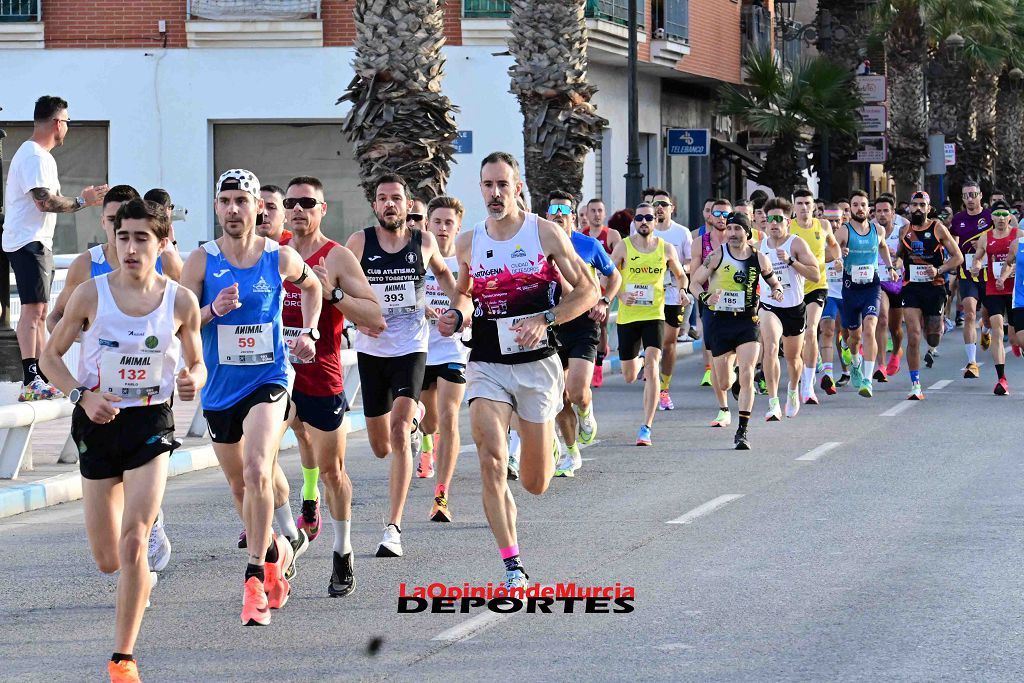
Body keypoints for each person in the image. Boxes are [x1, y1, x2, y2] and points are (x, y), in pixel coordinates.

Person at [40, 198, 205, 683]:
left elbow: (196, 362)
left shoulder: (180, 301)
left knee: (135, 541)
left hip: (151, 421)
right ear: (113, 239)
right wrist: (82, 396)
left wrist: (193, 378)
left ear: (161, 242)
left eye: (141, 238)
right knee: (109, 559)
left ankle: (123, 658)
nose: (130, 247)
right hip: (98, 422)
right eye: (122, 236)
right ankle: (140, 580)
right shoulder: (91, 295)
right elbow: (50, 358)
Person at [438, 151, 597, 589]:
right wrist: (456, 314)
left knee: (536, 483)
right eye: (487, 185)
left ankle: (550, 444)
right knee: (490, 459)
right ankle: (513, 565)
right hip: (487, 361)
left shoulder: (543, 234)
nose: (494, 193)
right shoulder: (468, 242)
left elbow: (588, 289)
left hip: (537, 366)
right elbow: (465, 294)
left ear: (518, 187)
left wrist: (546, 318)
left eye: (502, 185)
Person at [181, 169, 322, 625]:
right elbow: (179, 323)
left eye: (242, 201)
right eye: (226, 201)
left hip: (270, 377)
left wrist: (312, 333)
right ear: (216, 207)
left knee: (259, 467)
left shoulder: (276, 256)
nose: (234, 209)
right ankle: (279, 547)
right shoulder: (200, 262)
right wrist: (211, 310)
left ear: (258, 208)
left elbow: (314, 285)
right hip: (221, 387)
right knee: (241, 485)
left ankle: (255, 576)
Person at [280, 176, 383, 596]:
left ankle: (342, 550)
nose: (298, 209)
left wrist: (332, 291)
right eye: (292, 202)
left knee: (332, 471)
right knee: (258, 464)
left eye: (308, 202)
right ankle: (290, 534)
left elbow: (374, 317)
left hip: (321, 376)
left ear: (323, 209)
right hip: (274, 377)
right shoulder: (276, 253)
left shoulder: (337, 256)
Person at [346, 173, 458, 558]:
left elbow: (446, 275)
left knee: (398, 430)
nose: (390, 204)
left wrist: (459, 307)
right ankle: (414, 414)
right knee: (380, 446)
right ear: (374, 205)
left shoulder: (423, 242)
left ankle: (392, 527)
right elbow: (337, 291)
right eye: (382, 198)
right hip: (372, 349)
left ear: (408, 204)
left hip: (411, 347)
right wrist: (354, 318)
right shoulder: (359, 242)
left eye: (396, 198)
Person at [3, 95, 108, 401]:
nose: (67, 128)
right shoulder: (35, 156)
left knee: (40, 310)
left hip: (35, 241)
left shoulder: (39, 156)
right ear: (57, 122)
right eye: (67, 122)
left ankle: (38, 375)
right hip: (27, 241)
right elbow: (44, 201)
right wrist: (83, 201)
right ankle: (31, 377)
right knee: (33, 311)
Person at [689, 212, 785, 450]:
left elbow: (774, 282)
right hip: (719, 321)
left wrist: (778, 290)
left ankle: (742, 431)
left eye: (737, 229)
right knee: (723, 382)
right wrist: (705, 297)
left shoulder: (760, 259)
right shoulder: (717, 255)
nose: (732, 233)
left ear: (747, 232)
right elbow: (694, 282)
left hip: (747, 321)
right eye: (729, 228)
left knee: (748, 372)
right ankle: (730, 383)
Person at [546, 191, 620, 472]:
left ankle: (586, 413)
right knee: (558, 396)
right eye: (552, 212)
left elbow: (614, 276)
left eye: (563, 212)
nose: (558, 216)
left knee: (577, 392)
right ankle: (570, 451)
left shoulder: (587, 245)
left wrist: (604, 300)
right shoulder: (539, 245)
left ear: (573, 218)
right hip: (552, 325)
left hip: (583, 325)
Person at [48, 185, 183, 332]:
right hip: (102, 355)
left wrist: (164, 338)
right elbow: (56, 317)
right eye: (112, 219)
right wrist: (89, 338)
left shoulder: (165, 259)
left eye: (123, 218)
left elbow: (191, 313)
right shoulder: (85, 264)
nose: (117, 226)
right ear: (103, 222)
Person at [417, 195, 470, 521]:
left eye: (449, 222)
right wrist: (420, 307)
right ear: (427, 224)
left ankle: (441, 495)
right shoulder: (416, 261)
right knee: (429, 421)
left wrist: (460, 315)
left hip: (453, 349)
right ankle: (426, 443)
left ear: (457, 226)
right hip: (420, 349)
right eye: (437, 221)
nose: (442, 228)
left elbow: (471, 302)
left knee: (449, 418)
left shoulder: (464, 263)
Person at [756, 197, 820, 420]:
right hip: (769, 306)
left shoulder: (796, 244)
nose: (773, 224)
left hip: (793, 306)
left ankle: (793, 389)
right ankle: (773, 402)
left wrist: (792, 261)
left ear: (788, 222)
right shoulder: (759, 247)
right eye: (769, 219)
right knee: (771, 347)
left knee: (793, 359)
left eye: (778, 219)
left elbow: (815, 274)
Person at [898, 191, 963, 400]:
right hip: (911, 287)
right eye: (914, 204)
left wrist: (939, 270)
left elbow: (958, 257)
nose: (917, 208)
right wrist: (895, 264)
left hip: (934, 286)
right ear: (909, 207)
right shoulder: (904, 230)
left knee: (932, 337)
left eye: (921, 205)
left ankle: (939, 321)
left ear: (928, 208)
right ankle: (915, 384)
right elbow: (901, 256)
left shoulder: (938, 228)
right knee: (914, 335)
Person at [834, 190, 898, 398]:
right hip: (851, 288)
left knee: (870, 327)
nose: (859, 208)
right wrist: (838, 256)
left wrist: (889, 268)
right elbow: (830, 252)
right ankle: (854, 362)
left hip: (872, 286)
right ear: (850, 209)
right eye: (855, 205)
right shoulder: (844, 231)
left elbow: (882, 247)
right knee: (854, 336)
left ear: (868, 208)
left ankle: (867, 380)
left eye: (863, 204)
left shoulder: (877, 229)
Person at [789, 188, 841, 405]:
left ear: (814, 207)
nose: (803, 208)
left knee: (812, 330)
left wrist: (835, 259)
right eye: (799, 203)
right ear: (793, 207)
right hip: (793, 287)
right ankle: (802, 373)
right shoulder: (787, 227)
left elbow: (834, 246)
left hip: (817, 285)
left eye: (807, 204)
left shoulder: (824, 226)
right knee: (796, 337)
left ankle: (808, 385)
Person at [645, 188, 693, 410]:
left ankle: (663, 388)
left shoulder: (682, 233)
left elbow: (692, 263)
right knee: (651, 342)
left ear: (672, 208)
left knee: (669, 342)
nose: (660, 208)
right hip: (647, 294)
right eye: (656, 204)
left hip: (672, 293)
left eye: (664, 204)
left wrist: (677, 267)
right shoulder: (643, 232)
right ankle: (652, 382)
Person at [969, 200, 1018, 395]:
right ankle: (1001, 379)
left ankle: (1014, 341)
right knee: (998, 330)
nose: (1000, 218)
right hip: (993, 289)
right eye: (996, 215)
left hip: (1015, 290)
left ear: (1009, 217)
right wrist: (976, 266)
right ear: (991, 218)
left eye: (1003, 215)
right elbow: (978, 257)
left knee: (1014, 337)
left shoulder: (1018, 236)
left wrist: (1006, 275)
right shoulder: (985, 237)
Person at [949, 180, 993, 378]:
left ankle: (985, 329)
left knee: (988, 315)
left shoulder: (990, 216)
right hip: (967, 273)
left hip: (989, 272)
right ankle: (972, 362)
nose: (970, 199)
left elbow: (1001, 238)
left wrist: (983, 246)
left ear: (981, 196)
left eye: (973, 195)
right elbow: (953, 245)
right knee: (969, 313)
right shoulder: (958, 219)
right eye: (966, 195)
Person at [579, 197, 621, 387]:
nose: (596, 214)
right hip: (587, 289)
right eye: (593, 211)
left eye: (600, 211)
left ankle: (598, 365)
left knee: (601, 325)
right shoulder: (582, 235)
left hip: (604, 288)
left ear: (605, 214)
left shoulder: (611, 235)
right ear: (586, 214)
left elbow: (619, 263)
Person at [874, 195, 905, 380]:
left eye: (886, 211)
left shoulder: (901, 231)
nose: (882, 214)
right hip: (879, 282)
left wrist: (897, 261)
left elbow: (904, 257)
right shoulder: (871, 232)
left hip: (898, 283)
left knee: (896, 328)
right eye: (879, 211)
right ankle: (881, 365)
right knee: (882, 318)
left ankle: (896, 351)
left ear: (893, 213)